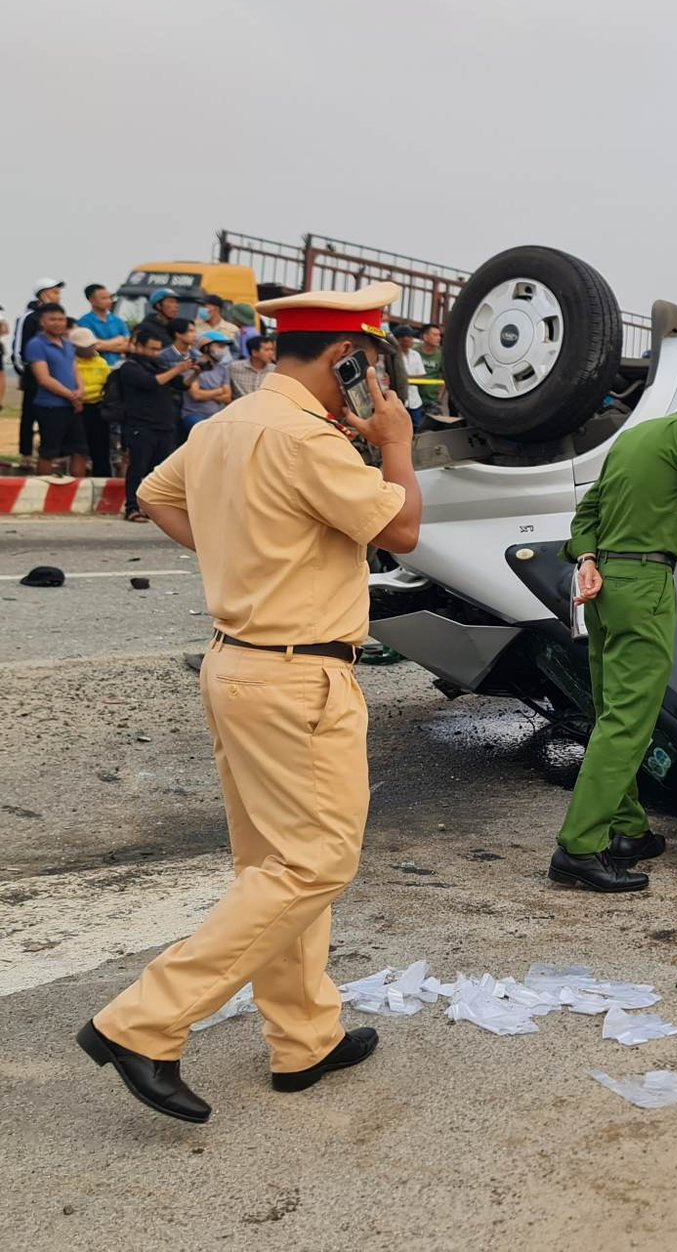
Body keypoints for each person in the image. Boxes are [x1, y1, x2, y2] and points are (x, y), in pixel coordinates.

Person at [77, 283, 421, 1123]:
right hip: (300, 676)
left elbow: (155, 495)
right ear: (349, 359)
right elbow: (403, 530)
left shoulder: (226, 424)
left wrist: (243, 554)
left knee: (273, 866)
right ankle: (143, 1022)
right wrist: (398, 444)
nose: (372, 383)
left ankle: (304, 1038)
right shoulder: (307, 440)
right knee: (317, 863)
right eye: (368, 366)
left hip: (239, 666)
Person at [553, 380, 677, 893]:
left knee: (610, 713)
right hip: (644, 586)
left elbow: (588, 511)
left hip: (601, 586)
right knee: (629, 722)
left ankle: (626, 830)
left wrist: (589, 558)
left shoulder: (634, 437)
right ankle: (578, 847)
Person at [115, 325, 195, 520]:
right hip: (141, 426)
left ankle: (155, 508)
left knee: (160, 472)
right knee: (137, 469)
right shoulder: (129, 367)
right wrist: (178, 368)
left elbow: (181, 385)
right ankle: (132, 507)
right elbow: (151, 382)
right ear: (138, 347)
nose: (155, 353)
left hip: (164, 426)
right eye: (151, 348)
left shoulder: (159, 366)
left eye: (158, 349)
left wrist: (195, 372)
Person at [24, 303, 88, 478]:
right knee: (49, 451)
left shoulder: (68, 344)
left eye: (61, 319)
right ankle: (42, 490)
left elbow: (75, 370)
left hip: (72, 405)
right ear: (43, 322)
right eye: (52, 319)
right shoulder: (36, 344)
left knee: (80, 450)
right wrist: (71, 395)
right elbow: (43, 379)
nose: (58, 323)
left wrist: (80, 390)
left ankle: (77, 491)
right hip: (50, 406)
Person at [13, 277, 63, 463]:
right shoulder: (29, 317)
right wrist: (27, 374)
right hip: (33, 377)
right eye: (55, 292)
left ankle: (51, 454)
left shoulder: (57, 318)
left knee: (53, 415)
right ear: (44, 294)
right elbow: (19, 350)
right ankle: (25, 454)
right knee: (29, 415)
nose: (58, 296)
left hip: (55, 377)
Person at [69, 325, 115, 477]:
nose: (89, 349)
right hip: (77, 408)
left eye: (91, 345)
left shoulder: (100, 362)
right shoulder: (70, 363)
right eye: (85, 346)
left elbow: (107, 383)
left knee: (101, 447)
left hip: (98, 408)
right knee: (79, 448)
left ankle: (103, 477)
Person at [180, 331, 234, 438]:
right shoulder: (192, 366)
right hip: (193, 416)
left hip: (216, 417)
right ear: (205, 348)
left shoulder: (223, 370)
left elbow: (227, 397)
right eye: (220, 346)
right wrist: (219, 391)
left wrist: (206, 394)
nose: (223, 350)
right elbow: (196, 395)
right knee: (208, 434)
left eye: (224, 347)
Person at [76, 283, 131, 366]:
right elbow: (91, 346)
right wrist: (118, 341)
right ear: (91, 300)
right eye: (104, 298)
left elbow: (128, 345)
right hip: (96, 367)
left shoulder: (118, 321)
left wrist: (102, 344)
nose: (109, 301)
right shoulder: (84, 322)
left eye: (110, 298)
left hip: (119, 366)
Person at [393, 326, 426, 415]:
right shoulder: (393, 355)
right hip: (398, 400)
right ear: (400, 339)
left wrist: (403, 377)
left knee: (417, 426)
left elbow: (422, 376)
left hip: (415, 401)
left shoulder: (416, 355)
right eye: (410, 337)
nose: (412, 340)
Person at [417, 324, 445, 420]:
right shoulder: (414, 352)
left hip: (432, 401)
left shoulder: (441, 355)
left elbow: (444, 377)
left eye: (439, 335)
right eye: (435, 335)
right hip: (415, 400)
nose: (439, 338)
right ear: (425, 337)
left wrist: (439, 397)